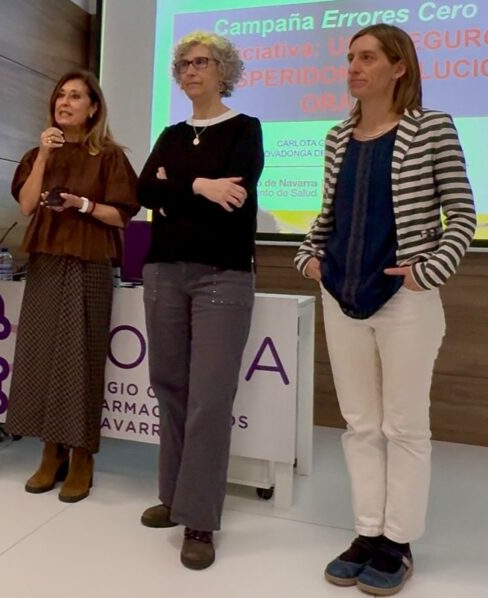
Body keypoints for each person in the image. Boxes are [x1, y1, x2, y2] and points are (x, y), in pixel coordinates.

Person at [294, 24, 476, 595]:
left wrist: (428, 270)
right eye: (351, 57)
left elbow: (462, 215)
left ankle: (398, 541)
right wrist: (307, 257)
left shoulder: (433, 128)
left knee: (405, 426)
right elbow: (329, 216)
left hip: (406, 300)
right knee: (360, 425)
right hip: (341, 293)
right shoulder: (335, 137)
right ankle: (367, 531)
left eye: (367, 57)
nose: (353, 67)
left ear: (399, 67)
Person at [136, 31, 264, 570]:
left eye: (202, 62)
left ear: (223, 71)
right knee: (170, 386)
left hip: (222, 275)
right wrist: (199, 187)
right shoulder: (169, 134)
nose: (190, 71)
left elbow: (235, 199)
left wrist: (177, 190)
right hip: (164, 270)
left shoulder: (245, 129)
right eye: (184, 63)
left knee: (210, 398)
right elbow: (145, 191)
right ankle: (173, 497)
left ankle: (200, 519)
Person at [5, 70, 140, 503]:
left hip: (90, 262)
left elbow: (122, 215)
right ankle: (51, 451)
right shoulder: (37, 154)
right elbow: (27, 205)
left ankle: (82, 455)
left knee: (81, 359)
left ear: (93, 107)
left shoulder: (110, 157)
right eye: (60, 95)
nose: (65, 102)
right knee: (42, 355)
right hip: (46, 260)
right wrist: (44, 156)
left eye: (76, 96)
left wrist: (82, 204)